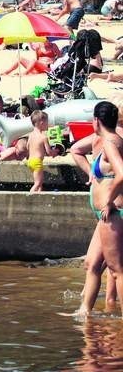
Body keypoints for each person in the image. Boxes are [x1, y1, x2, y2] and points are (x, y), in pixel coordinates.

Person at [78, 101, 123, 318]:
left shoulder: (111, 143)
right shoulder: (108, 140)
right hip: (106, 216)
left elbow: (122, 173)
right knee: (92, 263)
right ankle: (84, 312)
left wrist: (108, 200)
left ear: (96, 121)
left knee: (116, 269)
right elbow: (75, 150)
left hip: (113, 214)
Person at [26, 110, 58, 193]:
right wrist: (55, 152)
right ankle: (29, 198)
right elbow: (49, 152)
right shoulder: (43, 137)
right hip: (37, 162)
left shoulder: (30, 135)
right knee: (38, 183)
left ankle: (39, 197)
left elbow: (27, 147)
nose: (48, 124)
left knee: (40, 183)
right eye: (47, 122)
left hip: (30, 161)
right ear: (41, 123)